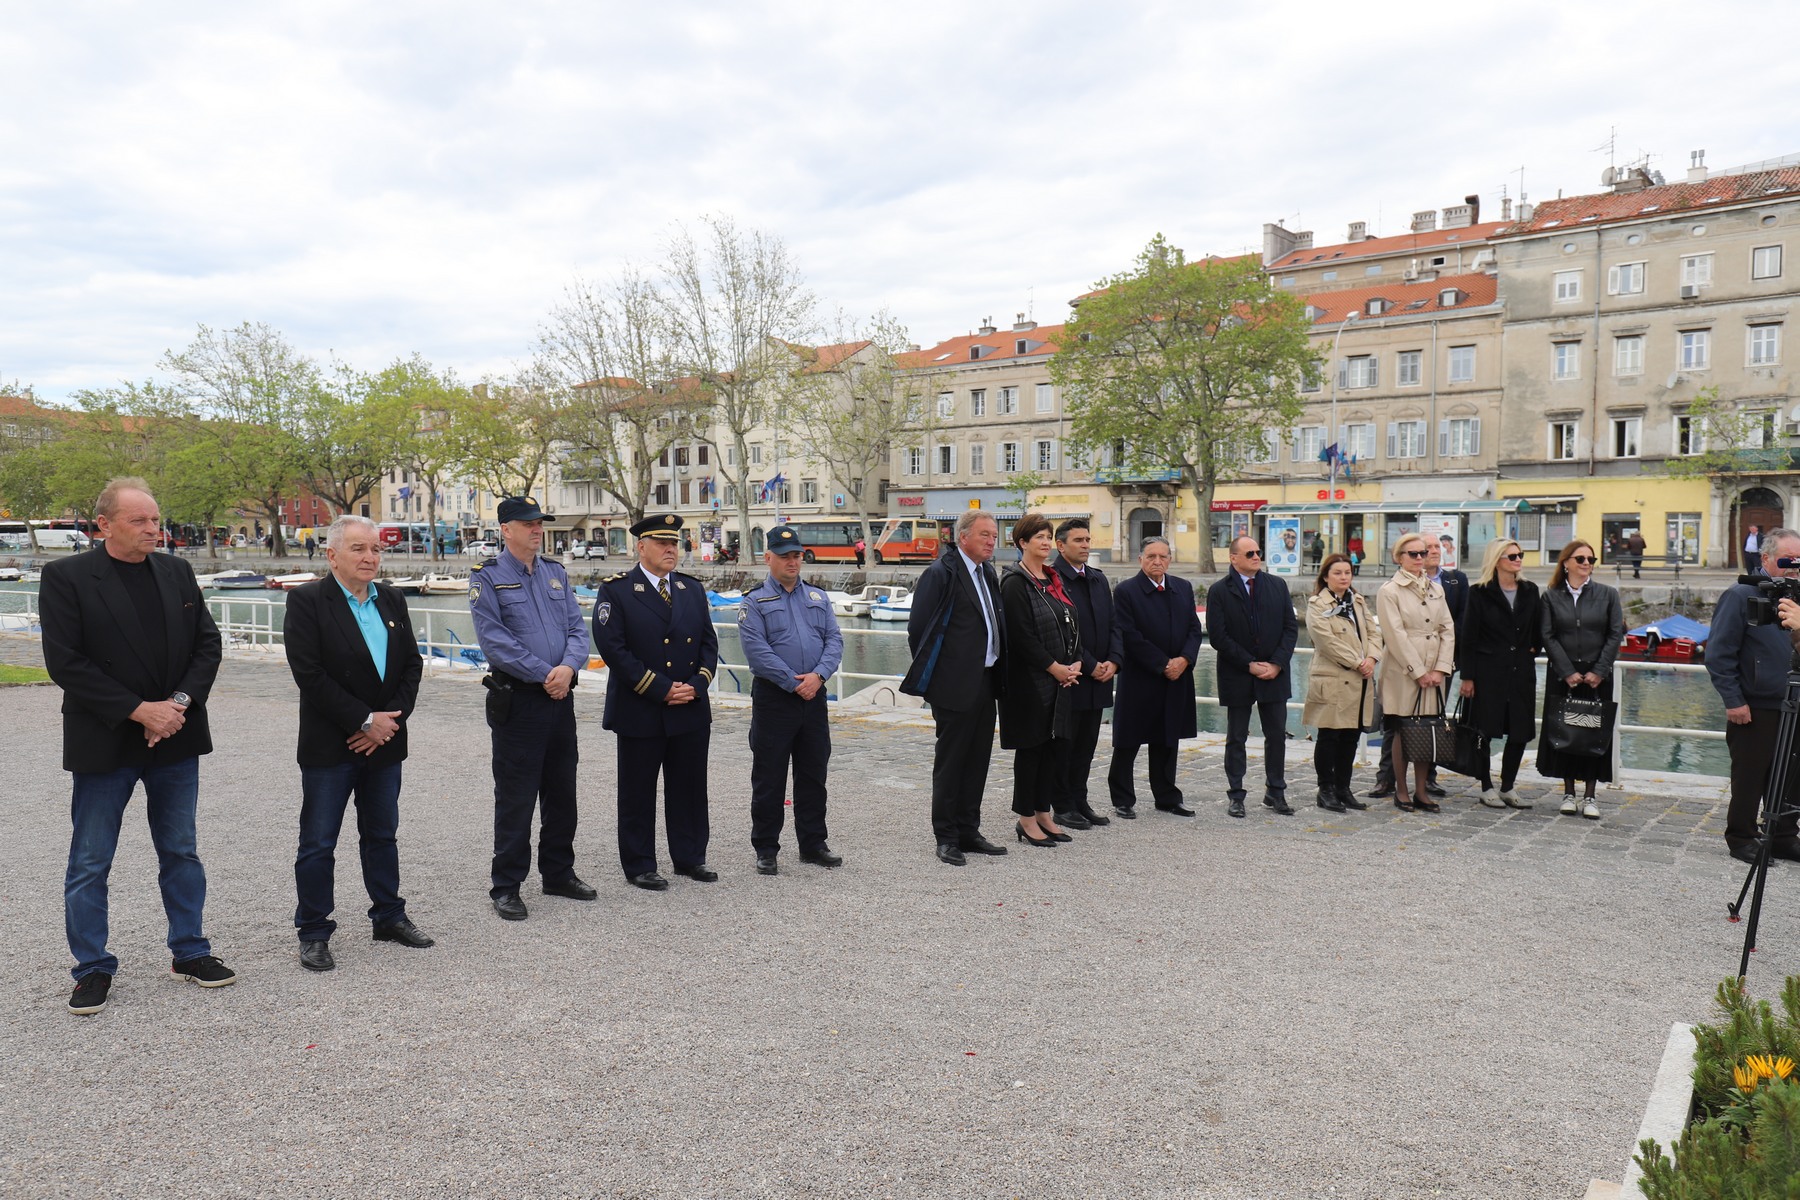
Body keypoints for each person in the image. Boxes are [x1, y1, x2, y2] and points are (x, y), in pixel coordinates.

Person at [40, 477, 233, 1015]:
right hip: (105, 740)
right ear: (103, 525)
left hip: (175, 735)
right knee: (90, 860)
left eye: (157, 520)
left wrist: (175, 705)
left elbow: (208, 645)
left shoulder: (177, 571)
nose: (155, 530)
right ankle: (92, 968)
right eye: (141, 521)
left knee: (181, 850)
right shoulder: (66, 577)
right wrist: (138, 710)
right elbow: (66, 662)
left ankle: (190, 952)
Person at [282, 514, 432, 972]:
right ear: (332, 555)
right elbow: (310, 675)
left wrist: (388, 722)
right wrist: (364, 720)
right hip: (333, 744)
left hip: (385, 742)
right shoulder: (308, 601)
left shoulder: (391, 599)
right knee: (318, 842)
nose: (370, 557)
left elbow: (411, 666)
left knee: (382, 835)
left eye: (376, 549)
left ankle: (388, 915)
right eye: (358, 549)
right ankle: (313, 930)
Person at [469, 496, 597, 919]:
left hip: (561, 698)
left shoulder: (556, 574)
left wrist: (567, 668)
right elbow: (496, 642)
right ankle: (506, 885)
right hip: (520, 701)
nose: (537, 529)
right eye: (527, 523)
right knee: (516, 796)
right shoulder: (488, 579)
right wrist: (547, 673)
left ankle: (558, 873)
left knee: (562, 792)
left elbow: (578, 630)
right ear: (506, 529)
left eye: (539, 522)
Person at [592, 513, 721, 889]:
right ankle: (640, 864)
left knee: (690, 787)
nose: (670, 549)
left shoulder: (690, 590)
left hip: (689, 706)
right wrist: (660, 688)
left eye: (675, 543)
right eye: (662, 543)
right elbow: (613, 649)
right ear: (641, 547)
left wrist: (697, 684)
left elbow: (708, 644)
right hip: (641, 706)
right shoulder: (616, 590)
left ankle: (690, 857)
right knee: (637, 790)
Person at [901, 510, 1008, 866]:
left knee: (978, 760)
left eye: (994, 535)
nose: (992, 541)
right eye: (985, 535)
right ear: (963, 537)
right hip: (953, 685)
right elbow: (919, 631)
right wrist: (942, 677)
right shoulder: (940, 572)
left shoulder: (988, 572)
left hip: (986, 679)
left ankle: (969, 829)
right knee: (951, 762)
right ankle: (946, 836)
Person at [736, 526, 844, 875]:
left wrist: (819, 677)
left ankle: (813, 844)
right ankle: (766, 848)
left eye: (796, 554)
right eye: (785, 555)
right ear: (768, 558)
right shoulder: (754, 602)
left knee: (814, 773)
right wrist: (794, 683)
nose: (792, 561)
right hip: (775, 699)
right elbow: (757, 653)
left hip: (815, 697)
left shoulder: (818, 597)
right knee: (769, 776)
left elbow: (834, 641)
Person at [1709, 527, 1800, 862]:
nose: (1794, 567)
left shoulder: (1798, 594)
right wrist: (1733, 700)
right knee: (1749, 777)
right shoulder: (1739, 595)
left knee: (1792, 777)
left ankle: (1784, 836)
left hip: (1793, 704)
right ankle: (1742, 838)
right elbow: (1719, 653)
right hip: (1754, 705)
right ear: (1765, 558)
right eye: (1787, 560)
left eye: (1799, 561)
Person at [997, 513, 1083, 848]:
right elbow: (1021, 637)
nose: (1046, 543)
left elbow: (1070, 622)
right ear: (1022, 543)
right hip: (1031, 683)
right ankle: (1026, 818)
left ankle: (1044, 811)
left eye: (1049, 537)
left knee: (1054, 749)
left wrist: (1075, 661)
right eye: (1039, 538)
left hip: (1060, 678)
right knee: (1031, 750)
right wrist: (1054, 667)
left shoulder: (1052, 579)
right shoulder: (1015, 583)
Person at [1109, 537, 1205, 816]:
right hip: (1142, 676)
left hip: (1177, 676)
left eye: (1163, 556)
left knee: (1167, 737)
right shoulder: (1126, 591)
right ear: (1140, 560)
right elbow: (1129, 634)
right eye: (1151, 556)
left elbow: (1193, 629)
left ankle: (1167, 796)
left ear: (1170, 560)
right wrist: (1163, 664)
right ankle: (1123, 799)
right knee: (1128, 739)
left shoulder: (1183, 587)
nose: (1157, 561)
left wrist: (1184, 660)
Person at [1205, 535, 1298, 818]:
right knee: (1236, 737)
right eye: (1249, 553)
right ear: (1233, 558)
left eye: (1258, 552)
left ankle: (1276, 792)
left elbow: (1289, 628)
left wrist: (1277, 664)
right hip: (1238, 674)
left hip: (1274, 673)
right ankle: (1236, 795)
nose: (1257, 557)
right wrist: (1249, 664)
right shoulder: (1220, 591)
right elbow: (1219, 636)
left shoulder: (1277, 585)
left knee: (1276, 736)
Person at [1371, 538, 1467, 800]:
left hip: (1434, 670)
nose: (1419, 558)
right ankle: (1400, 789)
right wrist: (1418, 671)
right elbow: (1394, 635)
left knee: (1429, 728)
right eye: (1412, 553)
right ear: (1399, 556)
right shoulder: (1389, 590)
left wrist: (1441, 668)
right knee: (1402, 729)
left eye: (1422, 553)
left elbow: (1448, 629)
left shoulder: (1436, 589)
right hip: (1403, 671)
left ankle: (1422, 790)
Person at [1537, 540, 1626, 819]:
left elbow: (1614, 634)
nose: (1586, 563)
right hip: (1565, 675)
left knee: (1593, 734)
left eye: (1590, 559)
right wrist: (1567, 671)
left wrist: (1599, 671)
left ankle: (1590, 794)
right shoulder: (1551, 596)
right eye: (1580, 559)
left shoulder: (1608, 594)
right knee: (1566, 732)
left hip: (1597, 676)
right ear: (1566, 563)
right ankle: (1568, 792)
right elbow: (1547, 635)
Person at [1457, 539, 1543, 809]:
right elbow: (1468, 636)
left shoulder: (1530, 590)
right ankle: (1485, 786)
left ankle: (1507, 785)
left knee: (1519, 731)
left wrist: (1534, 647)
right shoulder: (1479, 592)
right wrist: (1467, 676)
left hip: (1521, 671)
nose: (1518, 560)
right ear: (1497, 560)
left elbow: (1539, 626)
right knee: (1484, 730)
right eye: (1512, 556)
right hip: (1487, 673)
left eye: (1520, 555)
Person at [1050, 518, 1120, 829]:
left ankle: (1080, 799)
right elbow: (1065, 633)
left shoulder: (1097, 579)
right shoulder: (1053, 580)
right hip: (1074, 676)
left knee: (1088, 744)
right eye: (1078, 540)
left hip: (1101, 677)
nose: (1086, 545)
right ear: (1060, 545)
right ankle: (1062, 805)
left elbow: (1114, 624)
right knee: (1065, 744)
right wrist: (1091, 664)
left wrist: (1115, 661)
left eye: (1088, 539)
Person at [1302, 553, 1382, 813]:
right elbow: (1326, 641)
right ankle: (1325, 789)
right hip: (1334, 678)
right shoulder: (1317, 604)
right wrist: (1358, 662)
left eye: (1347, 572)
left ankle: (1343, 788)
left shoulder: (1357, 601)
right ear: (1326, 576)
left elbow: (1373, 631)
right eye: (1337, 573)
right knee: (1329, 736)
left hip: (1360, 680)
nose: (1343, 577)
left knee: (1351, 736)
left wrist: (1372, 657)